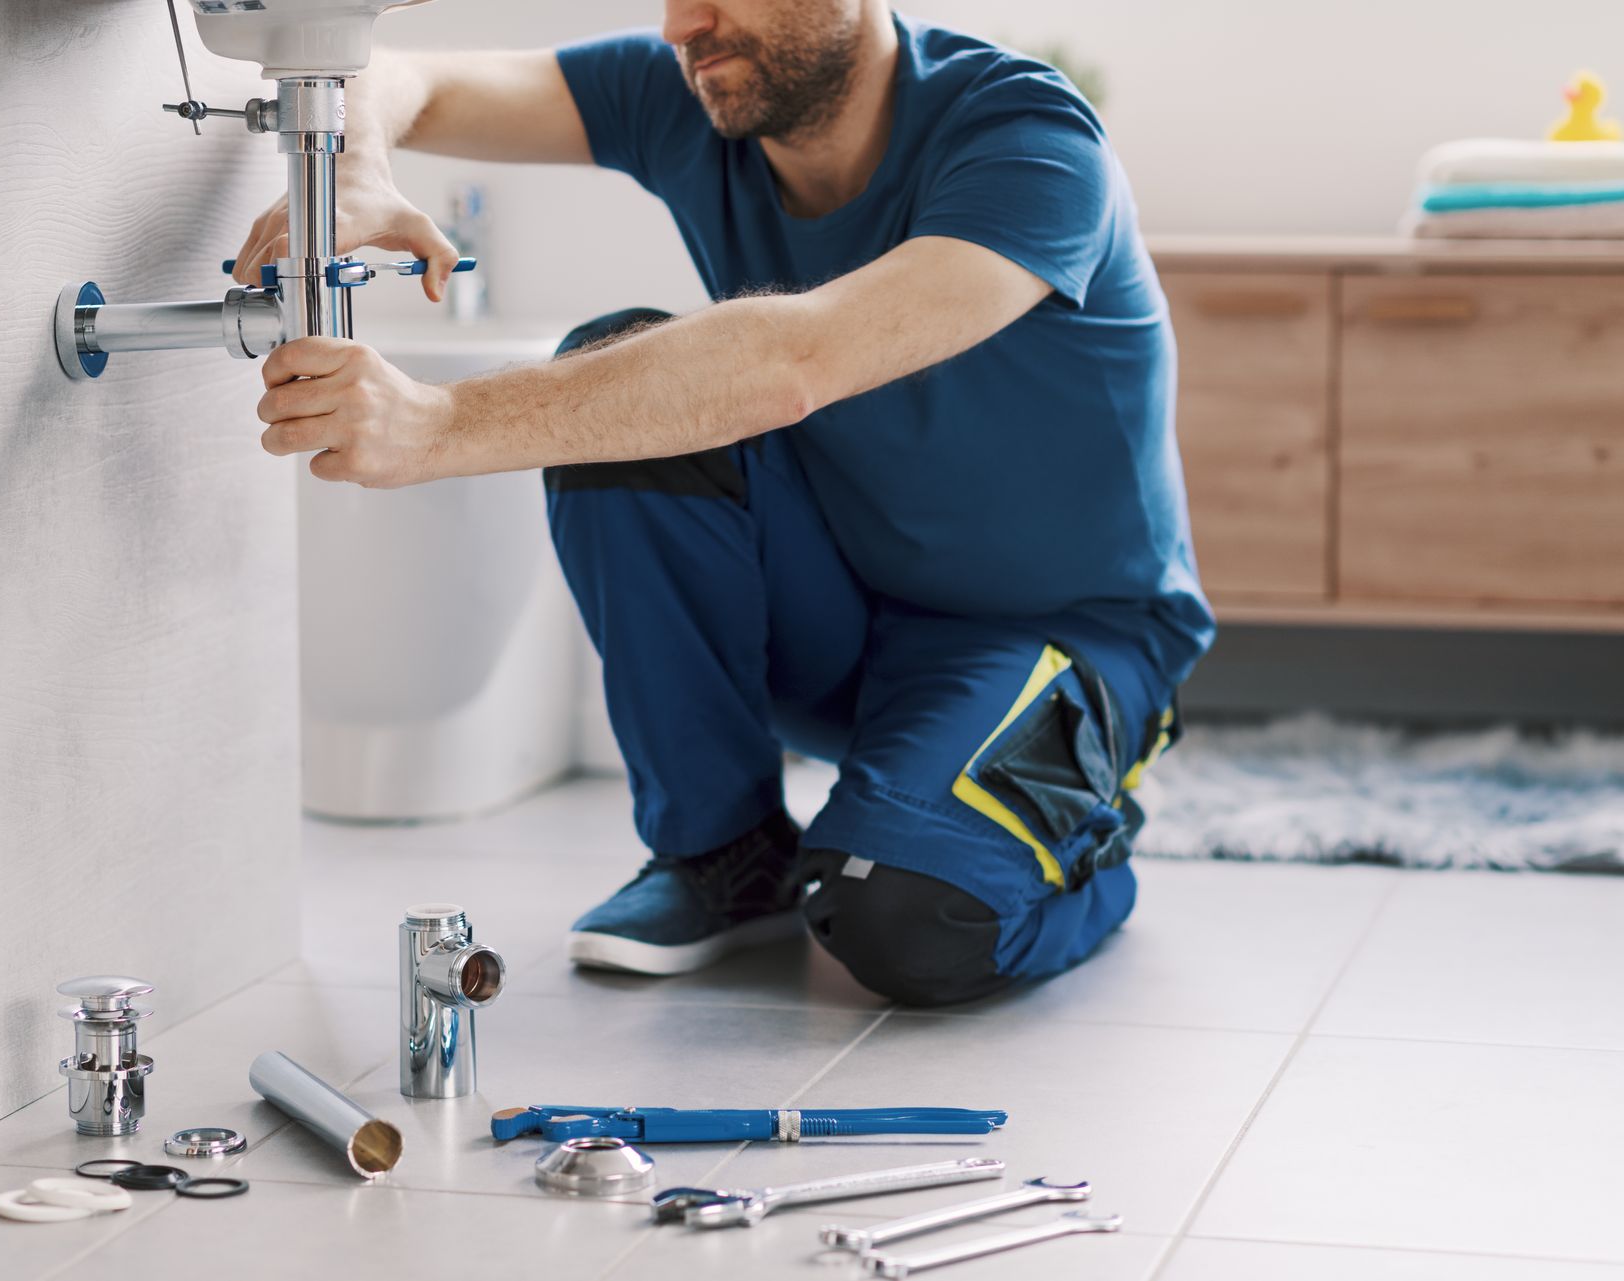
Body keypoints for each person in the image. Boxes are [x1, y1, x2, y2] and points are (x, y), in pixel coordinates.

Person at [233, 0, 1215, 1006]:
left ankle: (1085, 835)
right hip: (839, 600)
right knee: (615, 380)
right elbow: (402, 76)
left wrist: (436, 426)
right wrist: (352, 166)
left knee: (901, 917)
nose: (681, 25)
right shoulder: (687, 89)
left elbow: (796, 358)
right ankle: (724, 858)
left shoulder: (1027, 142)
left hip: (1055, 636)